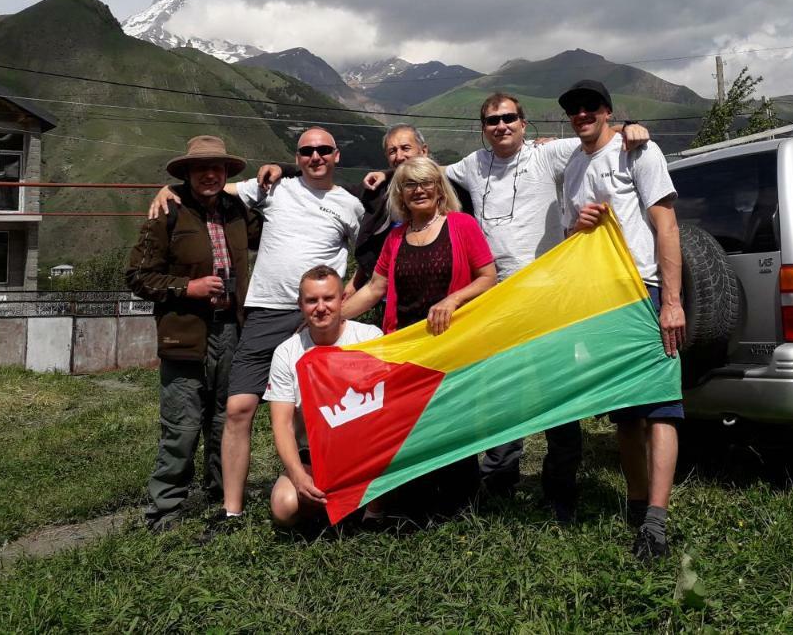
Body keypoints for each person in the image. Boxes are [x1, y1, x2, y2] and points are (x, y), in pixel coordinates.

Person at [438, 93, 651, 520]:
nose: (501, 126)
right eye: (492, 120)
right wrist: (377, 171)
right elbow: (424, 173)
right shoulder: (472, 165)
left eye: (509, 119)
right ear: (483, 127)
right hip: (496, 297)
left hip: (549, 294)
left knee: (557, 393)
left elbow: (596, 139)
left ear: (523, 122)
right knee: (502, 391)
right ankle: (499, 483)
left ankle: (561, 490)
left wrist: (632, 129)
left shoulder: (547, 154)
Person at [151, 127, 365, 533]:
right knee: (238, 409)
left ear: (337, 155)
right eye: (306, 151)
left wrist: (343, 302)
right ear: (296, 157)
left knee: (326, 411)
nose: (315, 157)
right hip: (265, 313)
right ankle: (231, 512)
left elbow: (370, 259)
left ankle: (336, 491)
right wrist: (167, 189)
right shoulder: (273, 189)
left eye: (323, 150)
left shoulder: (350, 205)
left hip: (317, 316)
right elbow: (213, 188)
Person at [557, 78, 685, 562]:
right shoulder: (572, 165)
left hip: (644, 291)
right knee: (626, 414)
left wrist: (671, 302)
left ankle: (656, 520)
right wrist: (576, 227)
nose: (583, 114)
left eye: (591, 107)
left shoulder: (639, 152)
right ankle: (635, 506)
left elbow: (666, 225)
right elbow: (574, 237)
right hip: (598, 298)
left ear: (608, 111)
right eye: (574, 109)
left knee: (661, 408)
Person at [343, 156, 498, 518]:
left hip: (452, 342)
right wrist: (331, 318)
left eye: (427, 182)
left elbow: (487, 276)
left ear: (440, 189)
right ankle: (418, 502)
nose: (419, 190)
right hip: (407, 345)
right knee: (412, 424)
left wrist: (453, 299)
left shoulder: (462, 225)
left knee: (454, 421)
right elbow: (376, 288)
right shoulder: (397, 237)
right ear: (400, 193)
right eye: (410, 185)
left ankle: (461, 505)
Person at [126, 135, 257, 532]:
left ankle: (221, 495)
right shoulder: (168, 212)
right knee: (182, 423)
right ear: (186, 173)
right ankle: (165, 510)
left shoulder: (237, 211)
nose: (210, 174)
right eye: (201, 168)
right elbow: (137, 276)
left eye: (217, 167)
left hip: (232, 331)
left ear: (226, 173)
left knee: (225, 419)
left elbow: (281, 222)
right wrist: (188, 288)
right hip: (185, 333)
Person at [257, 123, 471, 296]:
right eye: (392, 151)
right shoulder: (376, 191)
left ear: (424, 151)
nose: (399, 156)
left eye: (406, 148)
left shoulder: (456, 190)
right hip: (392, 296)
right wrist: (284, 169)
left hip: (449, 293)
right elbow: (327, 183)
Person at [265, 265, 382, 530]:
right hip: (315, 456)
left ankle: (371, 511)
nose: (320, 307)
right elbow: (281, 424)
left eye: (328, 298)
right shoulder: (286, 353)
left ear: (343, 300)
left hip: (367, 455)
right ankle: (337, 506)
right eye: (311, 300)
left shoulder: (370, 338)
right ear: (300, 305)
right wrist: (297, 475)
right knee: (284, 507)